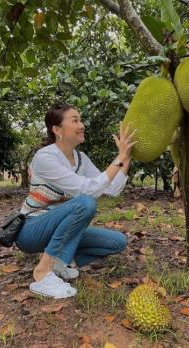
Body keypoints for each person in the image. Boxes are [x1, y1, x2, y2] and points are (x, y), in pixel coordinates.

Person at [15, 103, 137, 299]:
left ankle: (61, 264)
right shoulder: (45, 157)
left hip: (61, 227)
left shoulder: (80, 158)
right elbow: (88, 190)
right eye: (75, 121)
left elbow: (112, 189)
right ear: (57, 130)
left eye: (81, 120)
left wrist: (127, 157)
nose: (82, 125)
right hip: (31, 229)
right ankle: (43, 272)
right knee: (85, 203)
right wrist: (119, 158)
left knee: (118, 242)